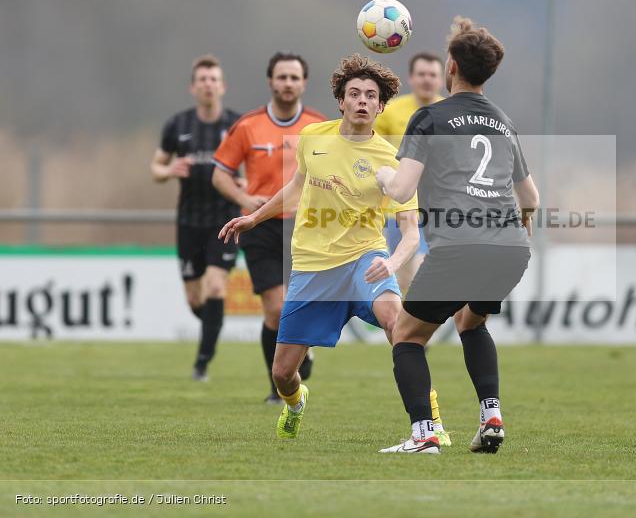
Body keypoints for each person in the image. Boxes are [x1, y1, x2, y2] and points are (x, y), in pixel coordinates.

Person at [219, 53, 446, 441]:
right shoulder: (313, 138)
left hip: (365, 261)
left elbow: (411, 232)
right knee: (282, 373)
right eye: (354, 93)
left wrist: (391, 263)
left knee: (398, 326)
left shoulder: (394, 161)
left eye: (371, 96)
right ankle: (296, 402)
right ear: (340, 101)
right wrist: (254, 217)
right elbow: (295, 187)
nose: (362, 101)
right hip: (313, 266)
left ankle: (431, 424)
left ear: (381, 106)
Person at [376, 17, 539, 454]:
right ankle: (491, 416)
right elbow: (531, 198)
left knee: (407, 336)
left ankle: (423, 434)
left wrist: (382, 174)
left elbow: (401, 190)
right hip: (510, 248)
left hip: (460, 245)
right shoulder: (503, 122)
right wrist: (519, 228)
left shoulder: (429, 117)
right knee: (471, 321)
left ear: (450, 66)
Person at [212, 51, 326, 403]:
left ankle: (300, 354)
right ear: (270, 81)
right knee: (275, 309)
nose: (288, 83)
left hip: (306, 228)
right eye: (282, 77)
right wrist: (245, 200)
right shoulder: (248, 126)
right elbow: (220, 174)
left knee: (300, 307)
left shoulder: (319, 127)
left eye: (294, 77)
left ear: (304, 83)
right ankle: (278, 387)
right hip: (260, 227)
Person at [150, 54, 242, 382]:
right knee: (195, 299)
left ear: (222, 86)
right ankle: (213, 325)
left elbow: (256, 165)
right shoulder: (178, 125)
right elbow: (156, 167)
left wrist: (247, 185)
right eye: (202, 79)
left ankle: (201, 364)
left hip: (225, 220)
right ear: (193, 87)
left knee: (215, 286)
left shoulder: (237, 125)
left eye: (213, 79)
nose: (208, 85)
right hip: (189, 221)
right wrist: (169, 170)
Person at [374, 52, 444, 292]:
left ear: (441, 79)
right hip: (399, 207)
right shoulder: (391, 112)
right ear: (411, 78)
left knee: (422, 269)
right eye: (421, 74)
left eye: (432, 75)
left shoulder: (450, 114)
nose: (427, 79)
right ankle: (405, 316)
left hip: (437, 207)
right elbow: (374, 153)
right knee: (403, 279)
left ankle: (424, 315)